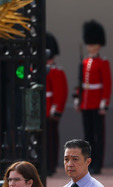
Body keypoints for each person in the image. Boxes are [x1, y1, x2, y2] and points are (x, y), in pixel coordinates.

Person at [74, 20, 111, 175]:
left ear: (98, 45)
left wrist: (104, 103)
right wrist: (77, 98)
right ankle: (89, 163)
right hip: (86, 103)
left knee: (98, 136)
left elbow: (107, 84)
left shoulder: (103, 63)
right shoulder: (84, 62)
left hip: (96, 103)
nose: (90, 46)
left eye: (92, 43)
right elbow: (80, 83)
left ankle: (98, 164)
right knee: (88, 136)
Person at [45, 32, 67, 176]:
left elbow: (60, 92)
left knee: (51, 139)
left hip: (49, 110)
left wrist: (56, 110)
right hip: (40, 110)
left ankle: (51, 165)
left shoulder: (56, 71)